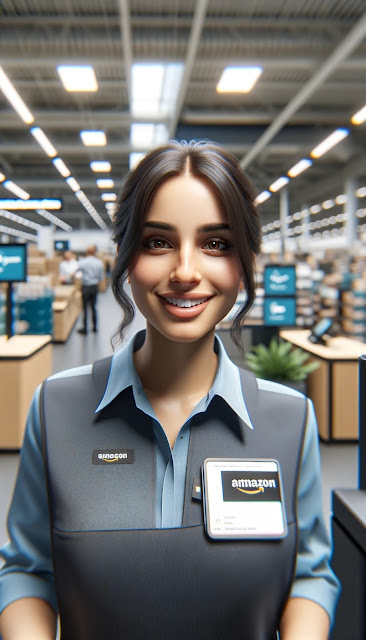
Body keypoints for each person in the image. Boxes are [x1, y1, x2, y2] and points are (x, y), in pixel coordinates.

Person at [0, 140, 340, 639]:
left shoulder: (291, 422)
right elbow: (27, 569)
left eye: (216, 244)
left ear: (244, 259)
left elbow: (309, 576)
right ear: (125, 254)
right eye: (158, 241)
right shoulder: (56, 409)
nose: (185, 271)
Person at [75, 245, 104, 334]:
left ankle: (85, 329)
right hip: (94, 287)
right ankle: (95, 328)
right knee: (93, 307)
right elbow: (100, 277)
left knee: (85, 308)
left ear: (87, 252)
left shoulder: (82, 262)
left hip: (86, 287)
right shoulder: (99, 262)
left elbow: (76, 272)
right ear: (94, 252)